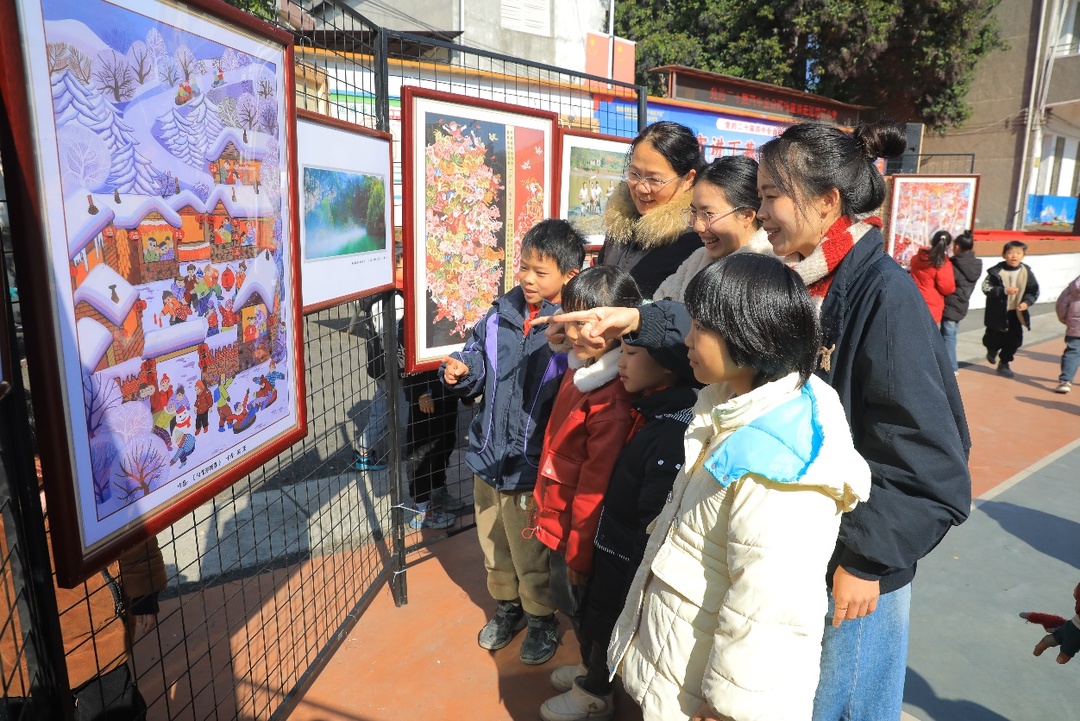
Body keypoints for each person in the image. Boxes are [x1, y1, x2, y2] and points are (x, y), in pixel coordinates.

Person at [554, 121, 973, 721]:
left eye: (771, 196)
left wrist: (866, 560)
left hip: (848, 570)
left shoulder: (882, 296)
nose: (761, 213)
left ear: (826, 202)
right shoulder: (800, 276)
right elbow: (723, 339)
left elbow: (930, 462)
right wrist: (638, 321)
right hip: (792, 560)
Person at [600, 255, 870, 721]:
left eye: (701, 327)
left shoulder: (781, 458)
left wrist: (731, 708)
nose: (687, 339)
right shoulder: (732, 403)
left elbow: (770, 604)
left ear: (751, 333)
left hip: (706, 688)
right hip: (682, 652)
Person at [540, 296, 700, 721]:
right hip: (610, 548)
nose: (620, 362)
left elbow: (648, 520)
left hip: (623, 558)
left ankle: (595, 692)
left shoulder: (669, 431)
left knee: (606, 622)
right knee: (595, 619)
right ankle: (592, 673)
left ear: (668, 365)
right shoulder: (649, 408)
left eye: (630, 353)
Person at [440, 219, 585, 665]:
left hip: (531, 466)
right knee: (493, 543)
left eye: (541, 272)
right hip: (487, 458)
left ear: (570, 276)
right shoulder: (497, 316)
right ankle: (508, 607)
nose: (527, 278)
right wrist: (463, 371)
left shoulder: (573, 329)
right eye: (524, 267)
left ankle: (541, 618)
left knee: (531, 551)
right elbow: (476, 358)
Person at [530, 266, 641, 683]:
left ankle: (595, 686)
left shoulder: (608, 398)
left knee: (587, 613)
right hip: (561, 521)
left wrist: (579, 553)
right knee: (575, 607)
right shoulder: (584, 372)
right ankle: (587, 669)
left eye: (586, 322)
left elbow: (594, 489)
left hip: (576, 534)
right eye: (571, 320)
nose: (574, 333)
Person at [598, 121, 703, 298]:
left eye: (654, 179)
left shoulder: (695, 237)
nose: (641, 188)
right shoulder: (619, 221)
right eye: (634, 174)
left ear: (688, 179)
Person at [653, 154, 772, 301]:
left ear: (746, 216)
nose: (697, 227)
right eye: (694, 212)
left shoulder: (770, 273)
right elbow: (661, 301)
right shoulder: (697, 261)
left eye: (708, 214)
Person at [982, 240, 1040, 379]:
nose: (1014, 256)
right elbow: (986, 288)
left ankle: (1004, 363)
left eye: (1018, 253)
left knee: (1014, 341)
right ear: (1004, 255)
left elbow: (1033, 290)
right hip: (997, 313)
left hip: (1016, 313)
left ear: (1023, 256)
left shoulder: (1026, 272)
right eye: (1010, 252)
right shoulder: (995, 272)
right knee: (993, 338)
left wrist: (1026, 302)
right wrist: (1003, 291)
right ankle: (992, 350)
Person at [941, 231, 982, 374]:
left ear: (957, 247)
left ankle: (951, 368)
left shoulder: (954, 264)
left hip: (951, 303)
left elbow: (947, 284)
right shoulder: (975, 264)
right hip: (962, 303)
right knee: (951, 334)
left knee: (948, 336)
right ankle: (948, 366)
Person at [908, 229, 956, 324]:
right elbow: (947, 288)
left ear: (932, 241)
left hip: (912, 300)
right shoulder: (942, 264)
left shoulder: (917, 258)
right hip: (931, 305)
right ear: (949, 245)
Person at [1055, 273, 1080, 393]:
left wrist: (1066, 320)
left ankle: (1065, 381)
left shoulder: (1072, 288)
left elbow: (1061, 305)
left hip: (1075, 327)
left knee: (1072, 352)